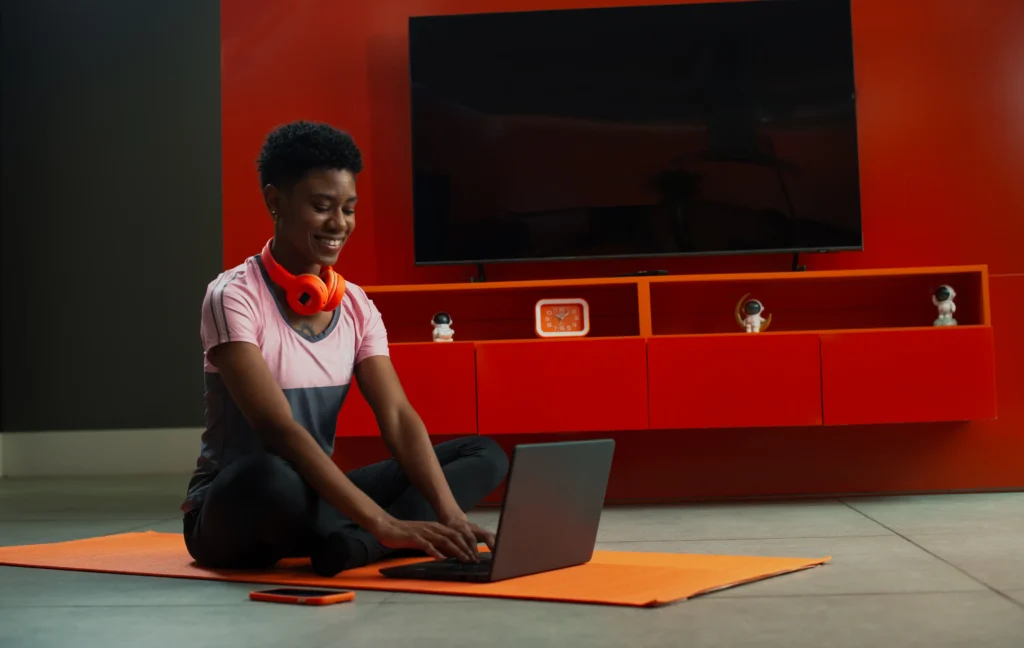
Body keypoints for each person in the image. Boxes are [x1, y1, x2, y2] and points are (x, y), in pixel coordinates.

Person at [181, 120, 509, 576]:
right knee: (271, 476)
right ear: (275, 201)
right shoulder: (232, 296)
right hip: (237, 507)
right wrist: (382, 520)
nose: (339, 224)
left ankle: (355, 545)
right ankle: (372, 535)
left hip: (314, 496)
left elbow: (398, 416)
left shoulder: (355, 305)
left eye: (348, 209)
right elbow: (278, 430)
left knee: (483, 453)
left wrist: (451, 513)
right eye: (321, 207)